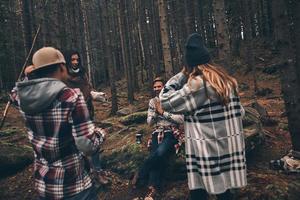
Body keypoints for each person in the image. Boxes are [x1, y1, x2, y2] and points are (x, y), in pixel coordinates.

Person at [159, 33, 247, 200]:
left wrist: (181, 75)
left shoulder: (198, 85)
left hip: (206, 152)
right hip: (229, 148)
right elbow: (240, 112)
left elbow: (165, 100)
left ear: (190, 64)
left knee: (199, 193)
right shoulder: (228, 82)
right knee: (225, 194)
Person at [12, 47, 101, 200]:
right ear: (61, 67)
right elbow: (87, 145)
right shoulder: (71, 96)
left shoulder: (21, 97)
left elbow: (15, 91)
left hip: (44, 185)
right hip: (74, 185)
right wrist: (100, 133)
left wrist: (28, 75)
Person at [132, 77, 184, 200]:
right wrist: (155, 113)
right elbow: (149, 122)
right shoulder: (152, 101)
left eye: (159, 86)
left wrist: (162, 112)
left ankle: (140, 173)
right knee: (156, 155)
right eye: (154, 87)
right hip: (157, 132)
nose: (156, 89)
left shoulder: (173, 99)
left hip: (172, 131)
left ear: (164, 86)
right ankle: (152, 189)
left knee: (160, 153)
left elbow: (180, 119)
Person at [63, 50, 109, 185]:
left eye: (77, 59)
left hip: (87, 113)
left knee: (93, 142)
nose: (75, 62)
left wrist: (95, 95)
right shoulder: (64, 77)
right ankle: (82, 174)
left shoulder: (83, 74)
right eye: (72, 60)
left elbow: (87, 90)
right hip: (72, 116)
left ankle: (98, 171)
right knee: (75, 146)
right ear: (67, 61)